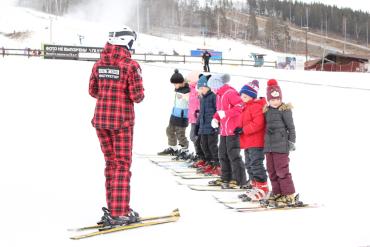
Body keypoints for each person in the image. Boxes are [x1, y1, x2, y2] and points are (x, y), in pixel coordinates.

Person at [89, 26, 144, 227]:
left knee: (111, 163)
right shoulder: (131, 66)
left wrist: (108, 94)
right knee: (122, 165)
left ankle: (114, 207)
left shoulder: (98, 64)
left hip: (101, 121)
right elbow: (137, 97)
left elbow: (92, 90)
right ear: (126, 42)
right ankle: (120, 212)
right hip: (121, 122)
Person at [208, 74, 247, 189]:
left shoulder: (230, 93)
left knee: (233, 155)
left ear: (217, 85)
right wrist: (216, 118)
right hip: (224, 130)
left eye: (212, 88)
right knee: (222, 155)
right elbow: (220, 110)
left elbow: (240, 106)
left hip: (233, 130)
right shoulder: (219, 95)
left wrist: (226, 113)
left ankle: (239, 179)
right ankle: (226, 177)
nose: (212, 90)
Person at [263, 79, 297, 207]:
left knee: (282, 171)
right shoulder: (266, 111)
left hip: (281, 147)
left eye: (277, 99)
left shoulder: (285, 110)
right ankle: (277, 192)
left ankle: (288, 194)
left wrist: (291, 141)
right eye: (272, 100)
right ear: (268, 100)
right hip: (269, 147)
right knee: (271, 171)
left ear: (281, 98)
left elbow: (291, 127)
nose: (275, 102)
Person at [235, 80, 269, 201]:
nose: (242, 98)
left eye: (245, 96)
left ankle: (263, 187)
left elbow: (258, 123)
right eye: (242, 96)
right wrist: (238, 128)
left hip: (256, 142)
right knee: (249, 164)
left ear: (252, 96)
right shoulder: (246, 107)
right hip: (248, 142)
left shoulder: (256, 107)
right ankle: (255, 185)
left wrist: (243, 130)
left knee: (256, 164)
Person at [158, 69, 190, 159]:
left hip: (182, 116)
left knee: (180, 134)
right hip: (174, 114)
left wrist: (185, 96)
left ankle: (185, 150)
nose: (175, 86)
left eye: (176, 84)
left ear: (181, 82)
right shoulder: (178, 89)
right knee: (169, 130)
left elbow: (191, 102)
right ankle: (173, 148)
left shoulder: (187, 91)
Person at [196, 75, 220, 176]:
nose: (201, 90)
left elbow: (217, 110)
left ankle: (217, 164)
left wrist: (216, 124)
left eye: (203, 88)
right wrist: (198, 125)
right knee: (204, 145)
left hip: (211, 127)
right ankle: (209, 162)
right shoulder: (202, 98)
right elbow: (202, 112)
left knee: (212, 146)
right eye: (200, 88)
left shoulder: (213, 97)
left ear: (208, 87)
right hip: (203, 127)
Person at [186, 70, 205, 163]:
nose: (188, 82)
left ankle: (201, 155)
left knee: (195, 136)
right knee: (193, 136)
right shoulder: (190, 89)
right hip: (192, 118)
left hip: (198, 118)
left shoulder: (199, 90)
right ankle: (199, 154)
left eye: (190, 81)